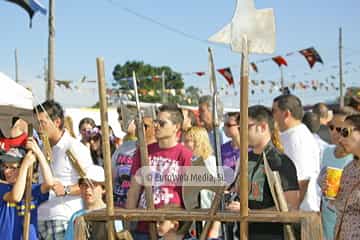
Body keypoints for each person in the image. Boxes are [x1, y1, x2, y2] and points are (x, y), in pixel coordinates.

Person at [228, 105, 300, 240]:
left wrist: (250, 213)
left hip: (271, 235)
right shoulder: (246, 158)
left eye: (246, 127)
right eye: (239, 128)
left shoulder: (280, 162)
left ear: (262, 127)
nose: (241, 132)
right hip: (244, 234)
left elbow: (290, 207)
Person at [126, 104, 192, 240]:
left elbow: (189, 197)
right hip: (143, 225)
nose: (156, 126)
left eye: (162, 123)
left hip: (171, 228)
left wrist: (183, 228)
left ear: (176, 127)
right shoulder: (143, 152)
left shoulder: (185, 155)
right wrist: (128, 223)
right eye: (156, 122)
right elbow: (134, 190)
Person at [34, 100, 94, 240]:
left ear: (57, 122)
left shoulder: (75, 147)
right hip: (41, 216)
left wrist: (66, 190)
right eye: (37, 123)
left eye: (42, 122)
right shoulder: (43, 147)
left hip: (65, 218)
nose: (39, 127)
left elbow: (92, 184)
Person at [272, 95, 320, 212]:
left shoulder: (298, 138)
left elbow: (302, 181)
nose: (271, 115)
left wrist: (291, 211)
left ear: (286, 114)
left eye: (274, 111)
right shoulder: (290, 135)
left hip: (301, 212)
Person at [0, 143, 54, 240]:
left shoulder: (31, 189)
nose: (7, 171)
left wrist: (38, 153)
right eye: (5, 167)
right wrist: (24, 165)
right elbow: (16, 197)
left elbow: (49, 183)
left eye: (12, 167)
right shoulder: (2, 187)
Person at [317, 110, 353, 240]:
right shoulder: (327, 152)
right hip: (327, 225)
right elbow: (321, 182)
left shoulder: (355, 158)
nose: (333, 132)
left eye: (340, 129)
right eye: (331, 127)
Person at [65, 165, 121, 240]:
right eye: (84, 185)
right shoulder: (76, 216)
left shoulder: (112, 215)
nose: (88, 190)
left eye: (93, 185)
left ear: (103, 188)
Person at [112, 115, 156, 208]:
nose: (140, 129)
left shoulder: (157, 151)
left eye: (145, 126)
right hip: (118, 205)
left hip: (141, 209)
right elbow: (112, 175)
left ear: (155, 128)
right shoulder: (124, 147)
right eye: (137, 124)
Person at [184, 126, 219, 239]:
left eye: (188, 141)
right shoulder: (193, 161)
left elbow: (212, 191)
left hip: (206, 210)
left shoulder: (209, 161)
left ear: (198, 141)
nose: (184, 144)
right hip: (197, 211)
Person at [333, 114, 360, 239]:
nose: (340, 139)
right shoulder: (349, 168)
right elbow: (341, 206)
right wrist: (333, 193)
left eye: (345, 132)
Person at [221, 112, 240, 180]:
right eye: (224, 125)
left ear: (239, 125)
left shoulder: (251, 149)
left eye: (228, 125)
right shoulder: (222, 148)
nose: (224, 127)